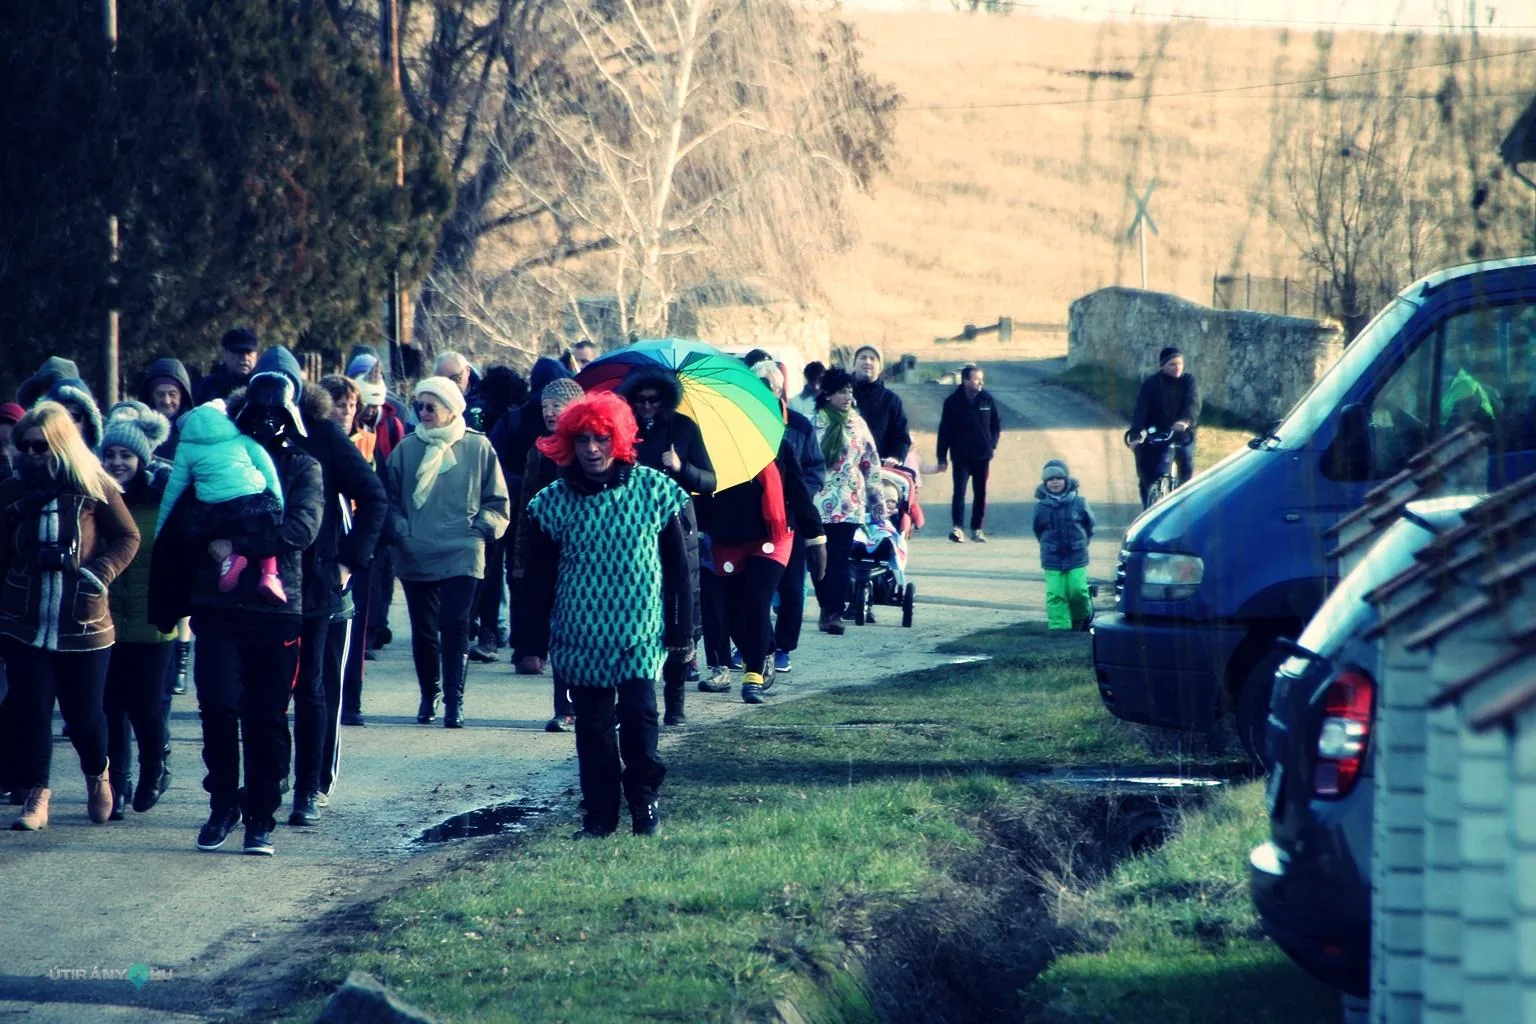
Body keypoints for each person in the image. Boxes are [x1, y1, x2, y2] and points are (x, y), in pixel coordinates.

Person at [149, 374, 324, 856]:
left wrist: (239, 544)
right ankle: (223, 803)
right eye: (258, 414)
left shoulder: (304, 466)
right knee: (220, 708)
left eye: (277, 415)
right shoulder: (218, 455)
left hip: (278, 609)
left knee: (267, 716)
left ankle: (260, 816)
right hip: (217, 606)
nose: (267, 423)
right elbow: (187, 517)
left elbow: (301, 529)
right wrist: (212, 538)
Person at [517, 392, 692, 838]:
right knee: (594, 733)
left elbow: (679, 568)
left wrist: (682, 630)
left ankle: (644, 805)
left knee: (639, 722)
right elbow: (536, 580)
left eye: (601, 438)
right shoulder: (552, 504)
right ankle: (599, 818)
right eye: (582, 440)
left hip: (639, 632)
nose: (591, 449)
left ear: (618, 440)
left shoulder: (653, 491)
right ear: (568, 445)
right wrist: (531, 644)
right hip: (580, 637)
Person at [244, 348, 387, 827]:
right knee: (260, 691)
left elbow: (373, 495)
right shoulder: (241, 431)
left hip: (317, 581)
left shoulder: (322, 435)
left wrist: (349, 561)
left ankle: (309, 787)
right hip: (253, 584)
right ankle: (266, 781)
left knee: (312, 688)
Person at [1, 401, 140, 831]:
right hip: (24, 618)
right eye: (24, 445)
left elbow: (127, 536)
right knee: (32, 706)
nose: (30, 454)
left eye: (40, 446)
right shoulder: (13, 489)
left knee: (84, 714)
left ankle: (98, 776)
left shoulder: (94, 484)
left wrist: (98, 573)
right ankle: (36, 795)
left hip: (82, 621)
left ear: (61, 444)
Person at [386, 377, 509, 728]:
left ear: (452, 409)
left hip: (463, 548)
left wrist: (483, 527)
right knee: (424, 629)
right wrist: (401, 531)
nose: (423, 413)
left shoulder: (478, 448)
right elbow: (389, 499)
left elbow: (497, 499)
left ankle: (455, 700)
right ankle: (430, 693)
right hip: (416, 549)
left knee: (455, 623)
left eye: (431, 407)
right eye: (419, 406)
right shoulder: (406, 450)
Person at [618, 370, 714, 721]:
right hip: (631, 527)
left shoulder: (684, 428)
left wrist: (680, 466)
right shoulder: (622, 426)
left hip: (676, 524)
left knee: (678, 611)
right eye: (639, 399)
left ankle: (675, 701)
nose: (646, 406)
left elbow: (709, 480)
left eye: (653, 400)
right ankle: (635, 699)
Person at [98, 401, 175, 818]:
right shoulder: (95, 498)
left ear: (141, 459)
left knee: (145, 704)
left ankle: (153, 769)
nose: (116, 462)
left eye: (125, 455)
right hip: (105, 620)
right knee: (110, 705)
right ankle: (115, 785)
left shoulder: (160, 500)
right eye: (109, 454)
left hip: (152, 619)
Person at [156, 400, 288, 603]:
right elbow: (267, 468)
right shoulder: (240, 439)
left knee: (212, 532)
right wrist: (278, 503)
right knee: (264, 528)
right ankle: (269, 574)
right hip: (252, 497)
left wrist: (160, 529)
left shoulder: (186, 448)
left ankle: (229, 560)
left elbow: (174, 488)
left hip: (214, 505)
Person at [510, 377, 585, 732]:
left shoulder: (592, 448)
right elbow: (525, 508)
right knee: (563, 633)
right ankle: (564, 707)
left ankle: (595, 703)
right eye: (545, 407)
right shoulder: (538, 452)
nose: (550, 412)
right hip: (549, 556)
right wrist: (521, 560)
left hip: (589, 557)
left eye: (557, 405)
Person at [744, 352, 826, 674]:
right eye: (758, 387)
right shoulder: (743, 428)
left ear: (780, 391)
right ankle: (757, 645)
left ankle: (784, 648)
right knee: (755, 592)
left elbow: (816, 469)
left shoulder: (800, 426)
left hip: (791, 520)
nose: (765, 393)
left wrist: (794, 493)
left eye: (770, 387)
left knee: (792, 590)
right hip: (754, 521)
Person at [811, 368, 886, 636]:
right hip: (816, 504)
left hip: (848, 503)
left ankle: (834, 612)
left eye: (850, 391)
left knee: (840, 559)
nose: (848, 396)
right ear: (827, 394)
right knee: (817, 559)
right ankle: (825, 606)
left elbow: (871, 465)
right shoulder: (813, 423)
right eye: (842, 391)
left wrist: (879, 507)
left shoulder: (857, 424)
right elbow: (801, 461)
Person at [467, 366, 527, 662]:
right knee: (515, 572)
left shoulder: (486, 413)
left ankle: (489, 632)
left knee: (489, 571)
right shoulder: (522, 416)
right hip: (517, 502)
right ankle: (515, 636)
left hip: (489, 501)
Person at [936, 364, 1001, 544]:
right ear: (965, 380)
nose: (981, 382)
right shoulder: (952, 402)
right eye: (976, 378)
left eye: (981, 378)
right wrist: (941, 456)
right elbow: (944, 431)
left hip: (982, 455)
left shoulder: (987, 399)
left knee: (980, 493)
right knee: (959, 492)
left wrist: (992, 443)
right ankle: (957, 528)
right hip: (961, 456)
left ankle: (977, 529)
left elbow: (996, 424)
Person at [1129, 347, 1200, 506]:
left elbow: (1193, 403)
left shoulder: (1188, 381)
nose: (1177, 368)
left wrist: (1185, 421)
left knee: (1186, 463)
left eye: (1180, 364)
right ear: (1162, 366)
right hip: (1157, 432)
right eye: (1172, 364)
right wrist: (1136, 435)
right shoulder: (1150, 385)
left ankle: (1183, 500)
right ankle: (1149, 501)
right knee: (1147, 468)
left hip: (1183, 432)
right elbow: (1140, 411)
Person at [1033, 459, 1095, 631]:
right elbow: (1038, 529)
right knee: (1055, 593)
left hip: (1076, 554)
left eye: (1058, 478)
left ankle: (1081, 617)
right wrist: (1048, 546)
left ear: (1066, 480)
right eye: (1050, 479)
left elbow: (1089, 525)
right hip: (1052, 557)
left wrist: (1082, 542)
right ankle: (1059, 627)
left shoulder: (1079, 502)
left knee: (1077, 591)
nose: (1054, 482)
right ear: (1045, 483)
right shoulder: (1040, 507)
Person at [850, 346, 912, 465]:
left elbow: (901, 435)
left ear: (880, 368)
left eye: (873, 359)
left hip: (880, 468)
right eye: (863, 357)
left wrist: (896, 457)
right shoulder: (840, 395)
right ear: (854, 363)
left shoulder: (891, 400)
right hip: (844, 469)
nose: (867, 362)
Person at [136, 358, 195, 459]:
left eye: (172, 394)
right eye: (160, 394)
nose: (167, 401)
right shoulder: (138, 430)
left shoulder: (195, 429)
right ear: (151, 396)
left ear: (182, 395)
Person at [195, 328, 260, 405]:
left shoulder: (263, 386)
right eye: (238, 352)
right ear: (225, 353)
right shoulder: (207, 387)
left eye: (249, 352)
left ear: (256, 355)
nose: (245, 358)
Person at [42, 377, 105, 451]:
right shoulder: (33, 453)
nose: (66, 422)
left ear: (86, 424)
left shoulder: (96, 461)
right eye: (58, 416)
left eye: (74, 416)